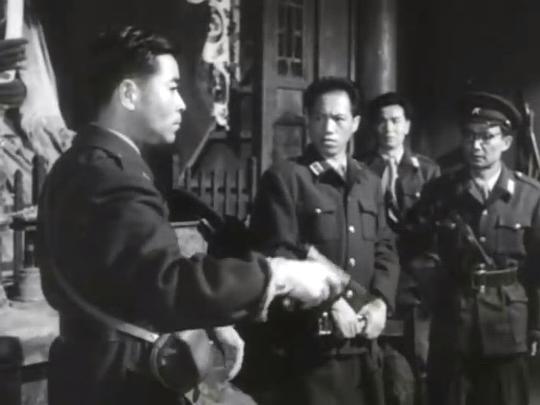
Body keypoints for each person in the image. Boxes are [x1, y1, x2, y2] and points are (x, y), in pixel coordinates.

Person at [35, 26, 351, 405]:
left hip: (91, 370)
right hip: (120, 383)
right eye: (171, 88)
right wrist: (277, 276)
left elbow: (128, 280)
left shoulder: (80, 162)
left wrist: (210, 319)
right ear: (129, 94)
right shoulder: (112, 177)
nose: (183, 103)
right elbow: (167, 284)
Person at [248, 76, 400, 405]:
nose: (328, 128)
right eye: (319, 117)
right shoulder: (286, 179)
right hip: (309, 350)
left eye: (338, 119)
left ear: (355, 123)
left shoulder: (369, 182)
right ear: (308, 120)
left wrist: (381, 303)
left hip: (363, 346)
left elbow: (385, 248)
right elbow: (280, 253)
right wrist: (331, 303)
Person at [411, 91, 540, 405]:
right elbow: (414, 249)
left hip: (509, 329)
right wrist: (435, 293)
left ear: (506, 142)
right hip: (453, 326)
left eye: (486, 137)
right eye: (469, 136)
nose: (476, 145)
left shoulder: (530, 196)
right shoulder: (440, 193)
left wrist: (536, 327)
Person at [360, 92, 441, 404]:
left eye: (395, 121)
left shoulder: (428, 172)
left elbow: (435, 230)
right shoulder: (360, 168)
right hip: (375, 278)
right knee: (377, 362)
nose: (388, 128)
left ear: (407, 126)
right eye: (381, 122)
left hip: (416, 285)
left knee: (420, 359)